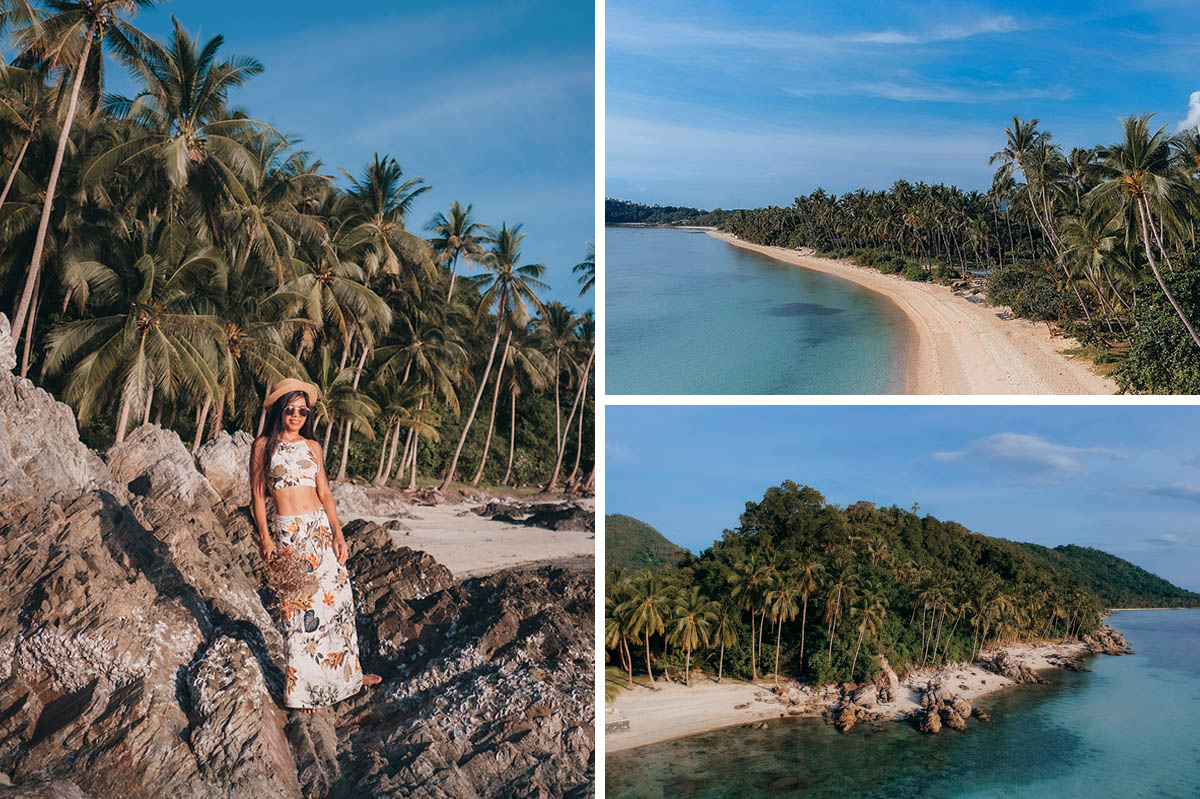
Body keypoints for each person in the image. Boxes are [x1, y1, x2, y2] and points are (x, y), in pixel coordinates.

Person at [249, 378, 381, 713]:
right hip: (289, 534)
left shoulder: (313, 447)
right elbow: (256, 497)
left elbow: (324, 493)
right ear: (281, 410)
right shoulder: (263, 446)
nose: (296, 415)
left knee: (336, 604)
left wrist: (337, 533)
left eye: (303, 411)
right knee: (298, 611)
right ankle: (306, 691)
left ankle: (348, 677)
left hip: (319, 530)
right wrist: (265, 538)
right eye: (290, 409)